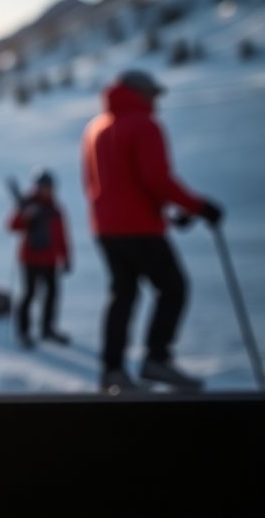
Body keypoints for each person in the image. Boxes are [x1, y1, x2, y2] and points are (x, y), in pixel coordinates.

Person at [82, 69, 222, 393]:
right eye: (153, 95)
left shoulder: (96, 128)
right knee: (173, 287)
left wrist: (173, 211)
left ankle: (112, 370)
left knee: (123, 295)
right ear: (140, 93)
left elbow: (103, 183)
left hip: (106, 228)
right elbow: (156, 179)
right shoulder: (144, 125)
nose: (156, 101)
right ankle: (156, 358)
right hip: (139, 228)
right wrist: (198, 206)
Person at [8, 170, 71, 349]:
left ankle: (47, 330)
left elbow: (62, 236)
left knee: (52, 295)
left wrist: (65, 257)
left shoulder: (55, 209)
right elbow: (12, 226)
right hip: (30, 259)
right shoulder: (27, 205)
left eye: (49, 186)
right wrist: (25, 216)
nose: (46, 190)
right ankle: (24, 333)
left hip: (50, 260)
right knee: (29, 294)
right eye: (43, 186)